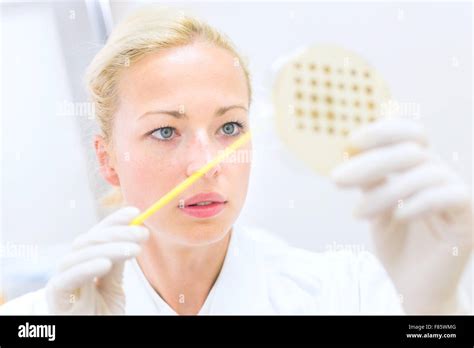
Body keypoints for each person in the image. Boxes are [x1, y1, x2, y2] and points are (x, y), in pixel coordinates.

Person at [1, 6, 471, 315]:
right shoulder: (41, 318)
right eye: (165, 131)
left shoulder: (347, 294)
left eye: (229, 128)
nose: (205, 165)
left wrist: (437, 310)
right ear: (108, 161)